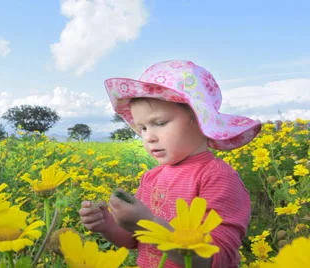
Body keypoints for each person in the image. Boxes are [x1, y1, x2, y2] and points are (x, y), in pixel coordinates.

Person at [79, 60, 261, 268]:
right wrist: (107, 225)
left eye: (159, 123)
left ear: (198, 119)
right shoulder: (151, 177)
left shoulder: (217, 177)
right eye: (143, 128)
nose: (148, 137)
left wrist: (148, 225)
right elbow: (134, 241)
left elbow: (217, 259)